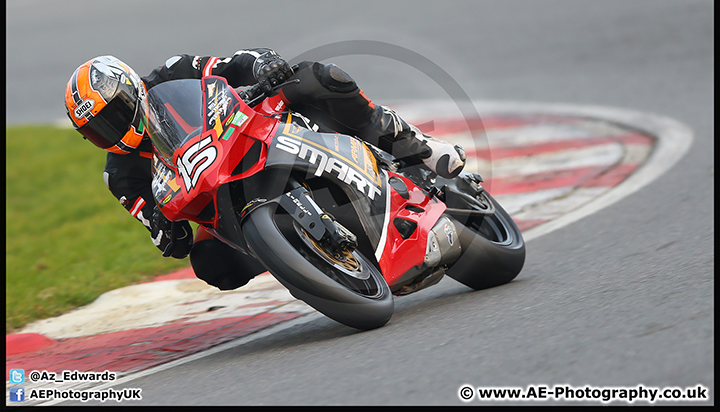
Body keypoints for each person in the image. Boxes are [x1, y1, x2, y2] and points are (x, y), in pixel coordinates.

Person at [64, 50, 466, 290]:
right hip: (218, 197)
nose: (112, 131)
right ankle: (303, 262)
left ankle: (418, 146)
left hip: (252, 131)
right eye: (98, 130)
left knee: (317, 77)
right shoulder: (120, 174)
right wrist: (165, 232)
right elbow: (155, 221)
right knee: (210, 264)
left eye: (114, 114)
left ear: (131, 88)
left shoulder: (171, 73)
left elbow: (232, 64)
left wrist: (262, 67)